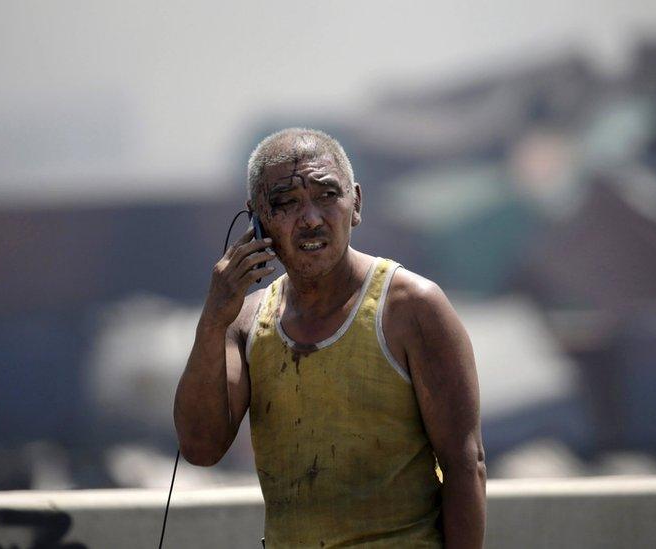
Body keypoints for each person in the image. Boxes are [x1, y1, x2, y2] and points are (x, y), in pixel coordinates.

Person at [174, 128, 485, 548]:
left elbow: (465, 465)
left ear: (355, 203)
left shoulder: (411, 308)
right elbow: (200, 448)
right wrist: (212, 319)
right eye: (286, 202)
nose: (311, 219)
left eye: (326, 195)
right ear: (257, 219)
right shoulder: (245, 321)